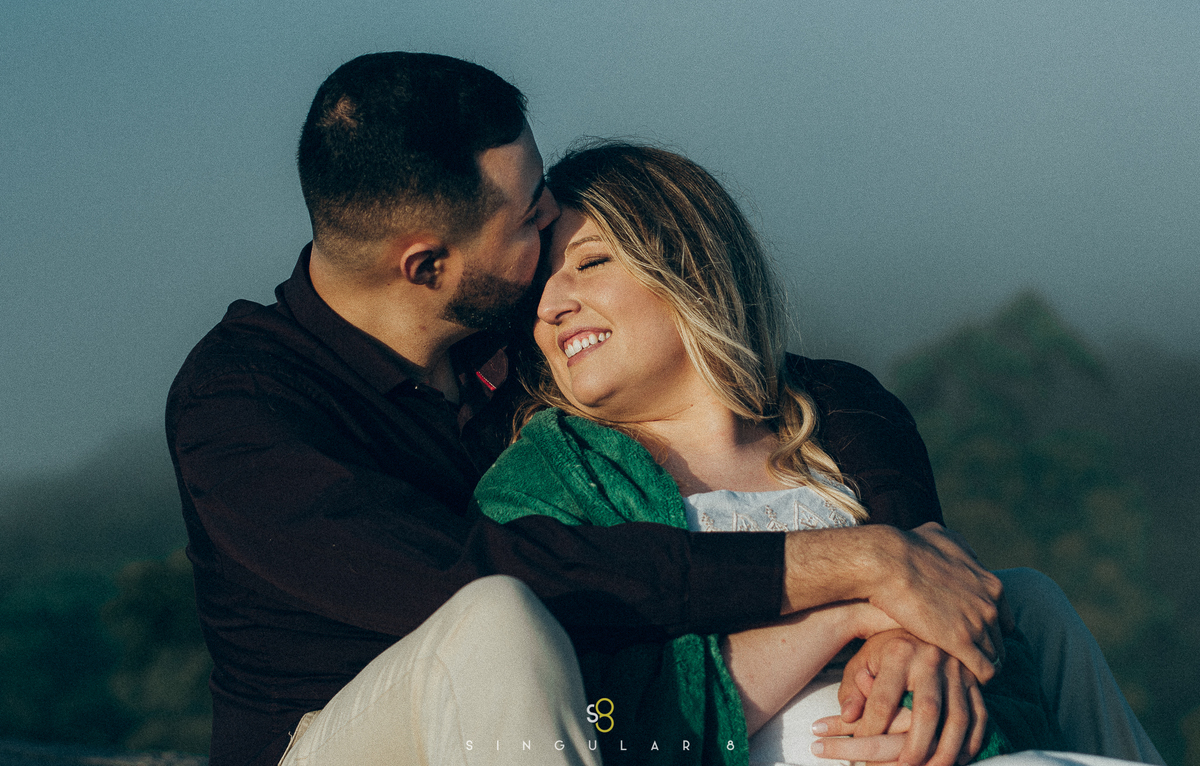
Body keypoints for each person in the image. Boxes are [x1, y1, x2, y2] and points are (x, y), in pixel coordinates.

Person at [166, 51, 1158, 766]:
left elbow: (817, 390)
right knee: (495, 621)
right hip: (346, 738)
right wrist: (844, 567)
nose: (551, 226)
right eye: (530, 220)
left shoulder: (509, 331)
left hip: (559, 710)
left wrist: (907, 565)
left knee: (1024, 597)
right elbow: (481, 573)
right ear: (426, 263)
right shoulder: (240, 408)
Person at [473, 142, 1063, 765]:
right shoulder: (544, 480)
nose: (550, 306)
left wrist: (931, 656)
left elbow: (999, 658)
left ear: (690, 264)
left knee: (1033, 600)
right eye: (536, 293)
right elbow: (589, 721)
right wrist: (851, 614)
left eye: (590, 262)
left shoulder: (834, 441)